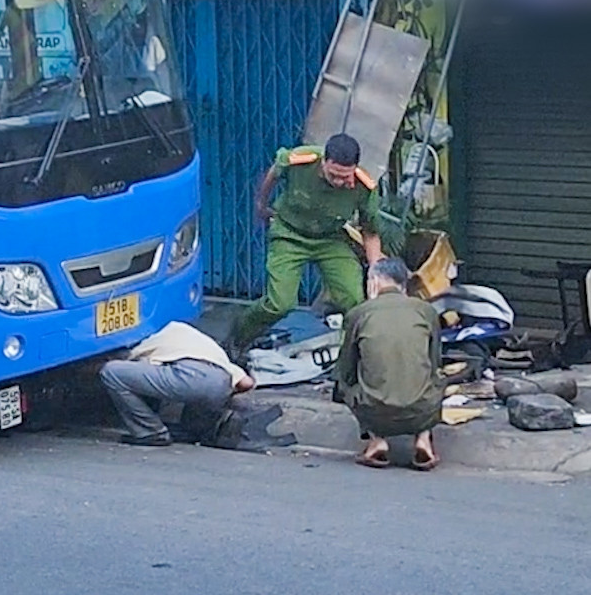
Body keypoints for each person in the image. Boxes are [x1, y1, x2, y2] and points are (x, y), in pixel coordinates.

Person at [233, 133, 383, 351]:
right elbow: (274, 172)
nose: (340, 181)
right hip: (290, 235)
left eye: (346, 176)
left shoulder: (363, 187)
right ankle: (238, 339)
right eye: (334, 175)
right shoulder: (300, 160)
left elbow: (370, 232)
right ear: (324, 161)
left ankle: (352, 355)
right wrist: (261, 204)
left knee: (355, 301)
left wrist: (375, 271)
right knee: (279, 304)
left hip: (331, 240)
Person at [335, 257, 442, 471]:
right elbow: (434, 361)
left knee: (346, 381)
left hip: (375, 412)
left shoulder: (359, 313)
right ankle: (423, 440)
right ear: (404, 284)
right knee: (434, 377)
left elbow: (345, 369)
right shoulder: (426, 310)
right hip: (422, 410)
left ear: (373, 282)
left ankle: (377, 441)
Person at [98, 321, 256, 446]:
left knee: (112, 372)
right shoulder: (201, 341)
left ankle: (151, 432)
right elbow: (247, 383)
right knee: (194, 408)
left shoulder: (148, 342)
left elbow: (131, 370)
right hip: (222, 382)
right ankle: (200, 427)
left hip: (190, 378)